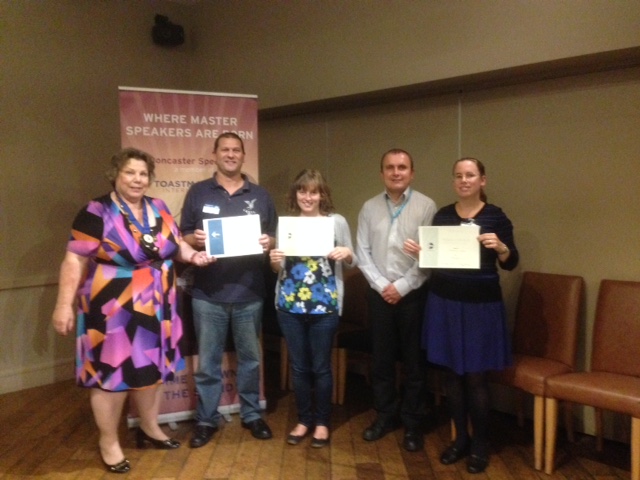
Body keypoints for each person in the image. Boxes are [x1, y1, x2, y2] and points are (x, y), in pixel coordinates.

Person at [52, 148, 213, 474]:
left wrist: (193, 255)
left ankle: (149, 427)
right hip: (113, 309)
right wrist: (63, 305)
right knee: (112, 378)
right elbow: (74, 260)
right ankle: (109, 442)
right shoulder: (96, 211)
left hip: (159, 305)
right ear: (116, 175)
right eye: (130, 172)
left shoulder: (159, 207)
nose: (137, 179)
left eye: (143, 174)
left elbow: (175, 245)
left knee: (152, 371)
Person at [404, 157, 519, 474]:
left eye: (470, 175)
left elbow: (511, 262)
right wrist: (422, 254)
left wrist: (501, 248)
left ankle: (481, 443)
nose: (464, 180)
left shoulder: (495, 216)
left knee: (476, 378)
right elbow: (434, 262)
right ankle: (460, 440)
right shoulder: (442, 216)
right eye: (458, 175)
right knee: (452, 376)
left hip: (481, 307)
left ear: (483, 180)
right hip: (444, 303)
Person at [180, 132, 277, 448]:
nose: (231, 154)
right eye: (225, 149)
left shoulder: (260, 195)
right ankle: (206, 420)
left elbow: (274, 236)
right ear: (215, 154)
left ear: (243, 155)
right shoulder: (198, 192)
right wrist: (195, 238)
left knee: (250, 360)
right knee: (208, 363)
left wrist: (269, 241)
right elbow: (183, 236)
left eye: (236, 150)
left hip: (250, 292)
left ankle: (251, 414)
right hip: (208, 293)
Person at [356, 148, 437, 452]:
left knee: (414, 362)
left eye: (402, 167)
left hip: (413, 294)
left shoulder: (426, 206)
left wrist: (402, 286)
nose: (396, 172)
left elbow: (430, 254)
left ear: (411, 173)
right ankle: (385, 415)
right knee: (381, 360)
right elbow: (362, 251)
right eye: (389, 167)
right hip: (379, 295)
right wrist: (382, 285)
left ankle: (413, 423)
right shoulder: (369, 207)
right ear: (382, 173)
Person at [269, 169, 356, 448]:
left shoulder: (336, 222)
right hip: (289, 306)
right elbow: (278, 268)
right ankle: (304, 420)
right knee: (299, 367)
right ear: (295, 194)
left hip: (324, 306)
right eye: (302, 191)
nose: (308, 197)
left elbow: (353, 259)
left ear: (322, 195)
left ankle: (322, 423)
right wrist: (273, 260)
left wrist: (347, 253)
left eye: (313, 192)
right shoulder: (287, 225)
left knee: (320, 367)